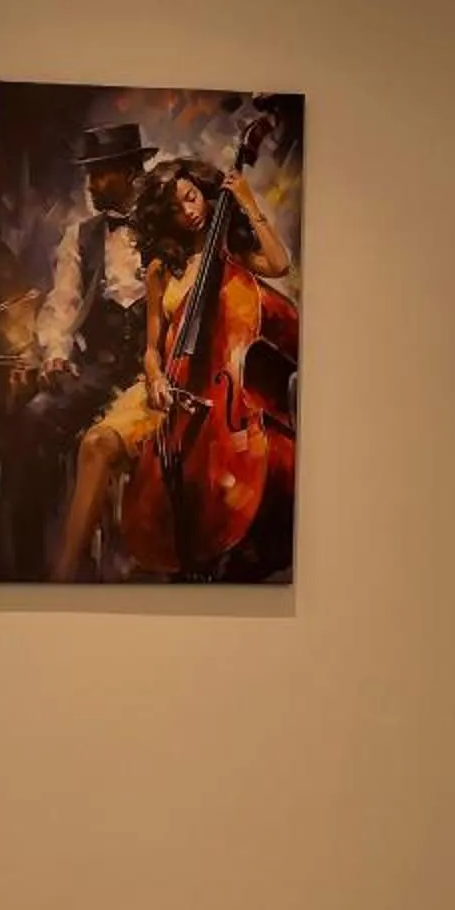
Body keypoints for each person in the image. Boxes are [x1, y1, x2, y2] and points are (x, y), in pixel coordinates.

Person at [48, 141, 291, 582]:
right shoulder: (162, 267)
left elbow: (277, 264)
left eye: (193, 197)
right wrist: (157, 377)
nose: (189, 211)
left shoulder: (231, 254)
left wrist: (249, 202)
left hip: (217, 394)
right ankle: (63, 574)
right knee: (96, 443)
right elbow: (152, 348)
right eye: (177, 206)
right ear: (167, 217)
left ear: (206, 193)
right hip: (171, 385)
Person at [0, 120, 154, 578]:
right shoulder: (79, 237)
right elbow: (61, 305)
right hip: (97, 371)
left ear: (130, 172)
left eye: (101, 173)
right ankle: (27, 569)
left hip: (153, 373)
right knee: (32, 421)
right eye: (89, 174)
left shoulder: (165, 227)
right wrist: (57, 351)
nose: (93, 184)